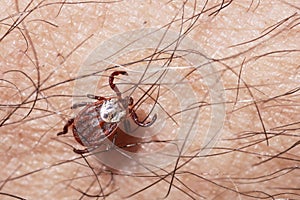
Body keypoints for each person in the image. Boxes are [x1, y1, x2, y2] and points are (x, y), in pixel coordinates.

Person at [1, 1, 299, 199]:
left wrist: (88, 131)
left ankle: (68, 132)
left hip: (94, 124)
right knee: (88, 130)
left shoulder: (103, 104)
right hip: (97, 125)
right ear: (108, 100)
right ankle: (71, 133)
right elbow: (105, 135)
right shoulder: (111, 114)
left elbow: (99, 122)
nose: (127, 105)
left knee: (82, 125)